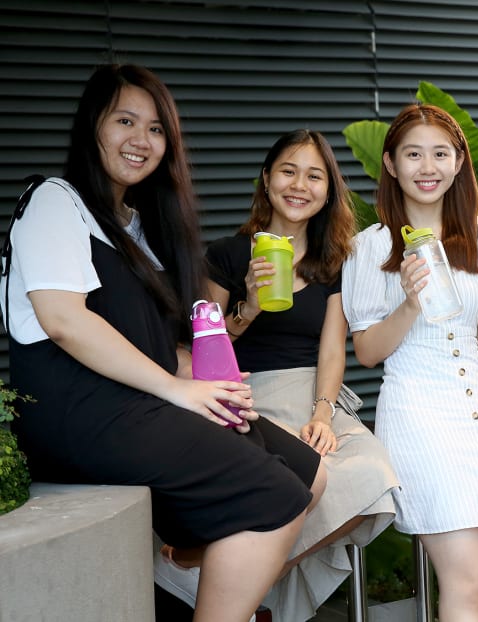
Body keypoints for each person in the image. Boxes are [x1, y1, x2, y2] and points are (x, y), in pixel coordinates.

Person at [1, 64, 326, 622]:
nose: (141, 140)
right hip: (79, 412)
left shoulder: (135, 227)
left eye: (156, 129)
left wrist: (213, 384)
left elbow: (157, 343)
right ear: (92, 127)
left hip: (136, 402)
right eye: (125, 121)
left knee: (310, 474)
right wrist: (179, 391)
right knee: (276, 496)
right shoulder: (56, 200)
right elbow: (63, 322)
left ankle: (188, 568)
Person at [341, 103, 478, 621]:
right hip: (418, 417)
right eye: (413, 154)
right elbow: (366, 351)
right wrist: (409, 302)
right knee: (468, 580)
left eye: (439, 154)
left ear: (458, 163)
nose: (426, 167)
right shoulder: (368, 248)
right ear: (390, 164)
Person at [202, 129, 398, 620]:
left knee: (374, 481)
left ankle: (230, 571)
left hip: (313, 394)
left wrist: (324, 416)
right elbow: (202, 354)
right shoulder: (226, 254)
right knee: (299, 482)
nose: (299, 185)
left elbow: (332, 350)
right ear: (267, 179)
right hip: (247, 395)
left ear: (328, 191)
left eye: (315, 176)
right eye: (288, 171)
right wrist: (246, 306)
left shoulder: (335, 263)